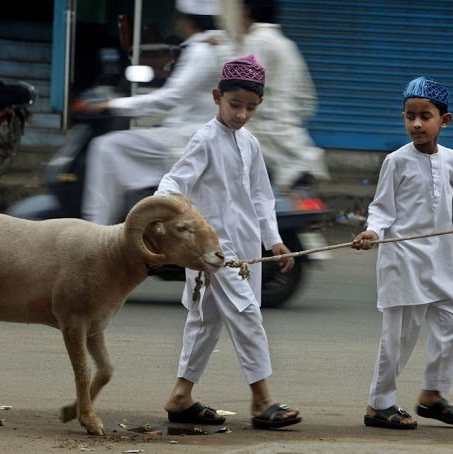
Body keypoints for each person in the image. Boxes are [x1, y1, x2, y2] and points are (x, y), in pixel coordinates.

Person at [156, 54, 302, 430]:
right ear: (217, 96)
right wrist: (164, 219)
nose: (241, 114)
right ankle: (261, 401)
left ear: (259, 106)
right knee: (248, 314)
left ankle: (180, 397)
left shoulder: (250, 143)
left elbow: (261, 197)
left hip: (247, 248)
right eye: (234, 104)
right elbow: (173, 184)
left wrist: (274, 241)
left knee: (205, 322)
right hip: (214, 251)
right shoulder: (204, 139)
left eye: (250, 107)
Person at [352, 76, 453, 430]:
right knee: (399, 338)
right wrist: (372, 231)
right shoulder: (396, 161)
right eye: (409, 116)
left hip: (440, 260)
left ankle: (433, 395)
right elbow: (381, 209)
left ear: (445, 120)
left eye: (425, 116)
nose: (416, 124)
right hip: (402, 261)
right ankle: (379, 405)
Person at [77, 0, 232, 225]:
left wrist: (111, 106)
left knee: (106, 147)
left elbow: (170, 98)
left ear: (187, 21)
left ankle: (97, 232)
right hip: (200, 133)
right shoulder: (221, 46)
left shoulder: (202, 51)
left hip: (189, 138)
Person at [237, 0, 329, 188]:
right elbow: (307, 99)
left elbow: (244, 88)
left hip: (264, 139)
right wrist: (291, 123)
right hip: (294, 140)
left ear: (246, 11)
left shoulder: (255, 42)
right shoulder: (288, 45)